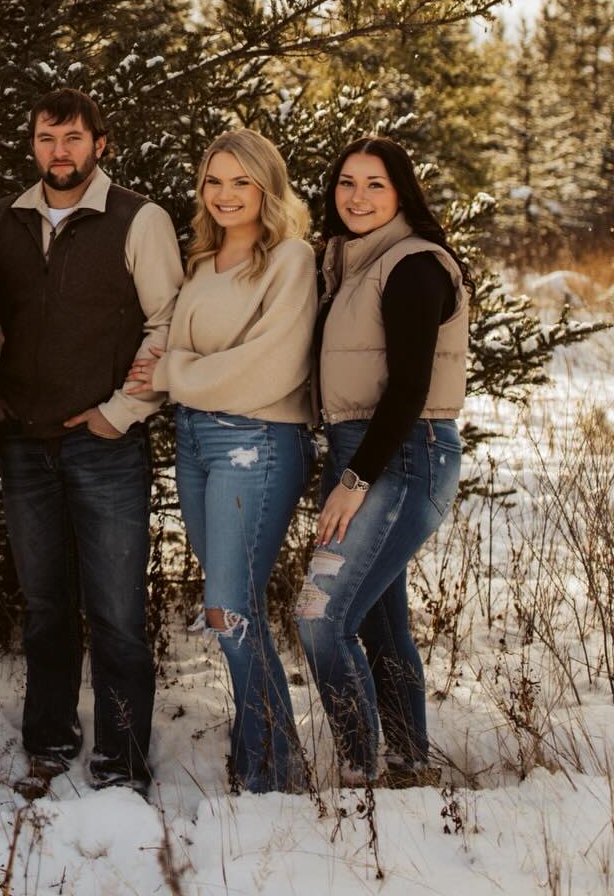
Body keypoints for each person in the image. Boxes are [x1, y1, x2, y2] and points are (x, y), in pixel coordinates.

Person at [0, 88, 182, 795]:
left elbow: (169, 324)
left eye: (72, 138)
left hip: (104, 445)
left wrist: (120, 411)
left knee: (118, 611)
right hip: (25, 444)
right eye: (45, 138)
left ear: (101, 142)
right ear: (32, 144)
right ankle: (50, 740)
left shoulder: (137, 218)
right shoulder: (1, 219)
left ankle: (123, 759)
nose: (58, 152)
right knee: (45, 605)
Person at [127, 130, 317, 793]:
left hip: (257, 441)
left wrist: (178, 372)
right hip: (197, 443)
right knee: (235, 611)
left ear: (267, 187)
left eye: (242, 182)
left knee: (227, 610)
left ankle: (274, 773)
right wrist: (179, 375)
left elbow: (272, 364)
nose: (226, 194)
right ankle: (266, 751)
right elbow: (172, 355)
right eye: (215, 181)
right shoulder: (202, 262)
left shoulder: (290, 260)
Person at [294, 136, 467, 785]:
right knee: (380, 623)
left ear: (401, 194)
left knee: (320, 617)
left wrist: (355, 480)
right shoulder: (350, 264)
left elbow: (409, 389)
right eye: (346, 182)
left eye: (374, 184)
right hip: (363, 452)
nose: (357, 197)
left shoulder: (413, 265)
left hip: (401, 456)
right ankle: (404, 764)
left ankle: (361, 769)